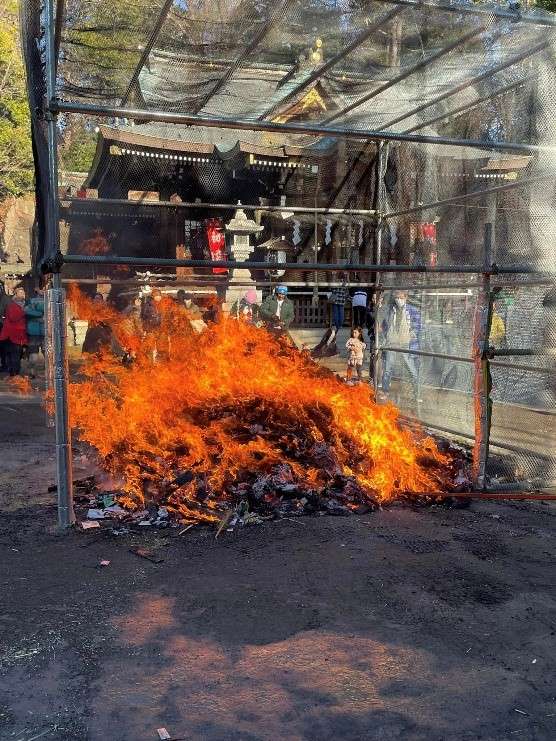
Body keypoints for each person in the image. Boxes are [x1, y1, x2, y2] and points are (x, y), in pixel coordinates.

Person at [381, 290, 421, 401]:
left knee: (412, 370)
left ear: (405, 297)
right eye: (396, 298)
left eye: (400, 297)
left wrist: (412, 334)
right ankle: (385, 391)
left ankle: (417, 395)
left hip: (405, 344)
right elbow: (384, 325)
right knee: (388, 369)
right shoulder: (390, 310)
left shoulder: (412, 310)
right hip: (392, 343)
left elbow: (417, 325)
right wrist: (387, 336)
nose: (398, 300)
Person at [0, 286, 28, 376]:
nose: (23, 294)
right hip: (11, 334)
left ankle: (13, 372)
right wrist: (24, 312)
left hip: (19, 334)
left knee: (17, 354)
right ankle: (14, 373)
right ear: (15, 294)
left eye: (23, 293)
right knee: (14, 354)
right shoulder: (12, 305)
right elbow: (13, 317)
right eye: (20, 293)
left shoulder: (24, 305)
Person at [24, 284, 46, 378]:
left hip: (46, 332)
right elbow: (26, 311)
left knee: (48, 354)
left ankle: (48, 373)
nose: (43, 290)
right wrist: (40, 315)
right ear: (36, 290)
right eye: (41, 288)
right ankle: (32, 372)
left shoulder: (52, 300)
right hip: (34, 331)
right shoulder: (31, 301)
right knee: (33, 355)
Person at [0, 281, 11, 372]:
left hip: (3, 325)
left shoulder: (5, 299)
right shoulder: (6, 299)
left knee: (4, 347)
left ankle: (4, 364)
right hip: (3, 324)